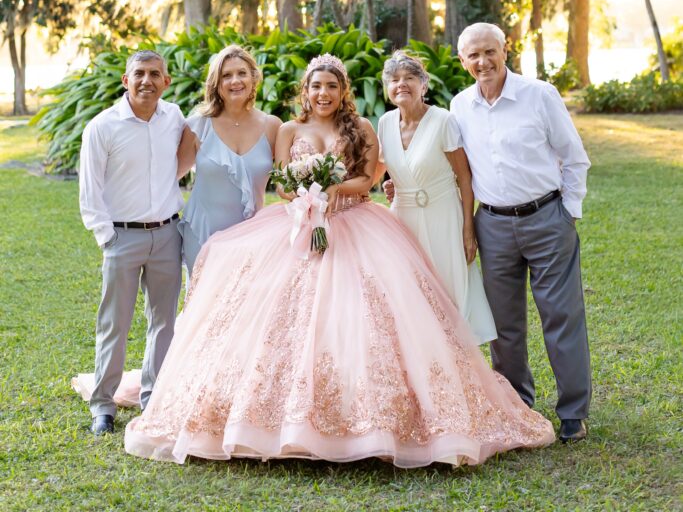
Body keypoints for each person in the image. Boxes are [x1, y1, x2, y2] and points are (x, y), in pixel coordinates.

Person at [124, 54, 554, 466]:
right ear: (305, 91)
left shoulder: (363, 126)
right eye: (316, 86)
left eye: (332, 86)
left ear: (343, 90)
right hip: (297, 227)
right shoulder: (289, 129)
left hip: (356, 225)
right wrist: (306, 198)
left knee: (364, 315)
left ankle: (370, 419)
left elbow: (368, 178)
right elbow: (281, 183)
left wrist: (333, 192)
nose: (323, 93)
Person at [451, 23, 591, 444]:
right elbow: (456, 171)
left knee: (561, 316)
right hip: (491, 224)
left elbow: (574, 158)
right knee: (503, 323)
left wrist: (568, 212)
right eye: (473, 55)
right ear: (462, 61)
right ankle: (517, 405)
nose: (482, 62)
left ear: (505, 50)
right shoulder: (459, 107)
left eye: (489, 52)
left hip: (547, 218)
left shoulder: (539, 95)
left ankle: (572, 412)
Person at [77, 50, 186, 436]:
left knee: (164, 322)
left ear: (166, 81)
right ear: (126, 80)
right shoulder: (102, 127)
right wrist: (108, 238)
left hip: (168, 234)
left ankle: (153, 400)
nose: (147, 81)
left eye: (155, 74)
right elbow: (89, 194)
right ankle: (103, 406)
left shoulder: (174, 117)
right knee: (115, 323)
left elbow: (186, 159)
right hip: (122, 237)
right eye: (139, 74)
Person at [378, 51, 496, 345]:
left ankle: (458, 363)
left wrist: (469, 230)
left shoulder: (443, 120)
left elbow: (465, 178)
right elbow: (389, 169)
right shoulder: (384, 123)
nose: (401, 84)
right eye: (394, 80)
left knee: (449, 290)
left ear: (423, 84)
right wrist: (393, 185)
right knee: (411, 293)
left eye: (409, 78)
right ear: (386, 88)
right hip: (403, 219)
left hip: (443, 216)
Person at [177, 44, 281, 275]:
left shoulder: (272, 126)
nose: (235, 81)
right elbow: (172, 176)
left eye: (242, 73)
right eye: (227, 75)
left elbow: (289, 180)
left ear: (253, 78)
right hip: (203, 233)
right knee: (203, 304)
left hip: (251, 234)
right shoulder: (198, 125)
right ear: (217, 83)